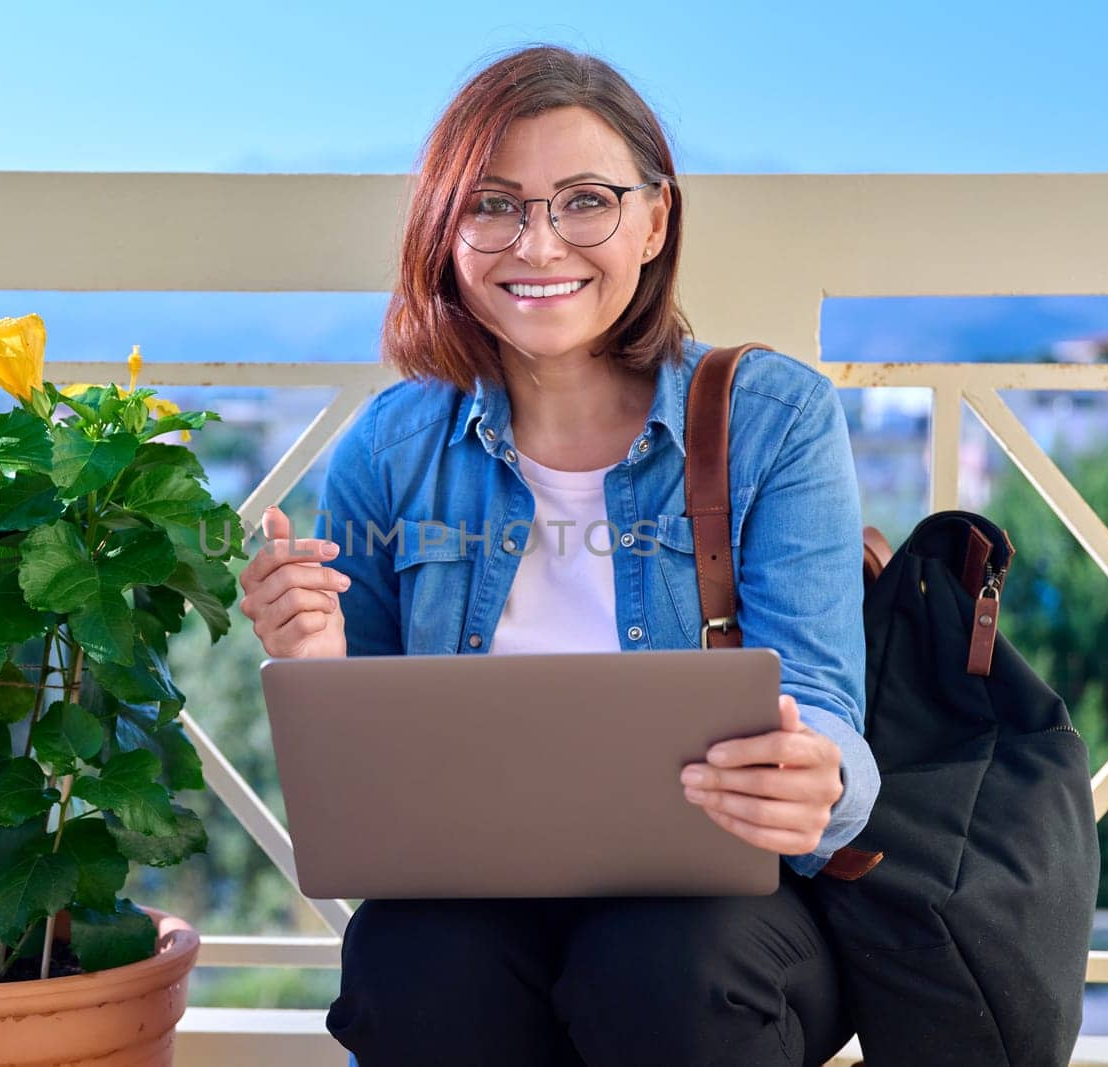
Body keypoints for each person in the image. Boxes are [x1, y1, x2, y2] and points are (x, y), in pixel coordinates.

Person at [237, 44, 878, 1067]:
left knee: (663, 969)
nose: (538, 244)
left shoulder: (774, 418)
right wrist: (310, 662)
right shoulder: (387, 450)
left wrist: (817, 776)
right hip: (474, 898)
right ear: (446, 230)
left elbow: (828, 714)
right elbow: (365, 813)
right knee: (405, 963)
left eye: (585, 201)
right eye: (493, 205)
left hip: (714, 911)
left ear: (654, 219)